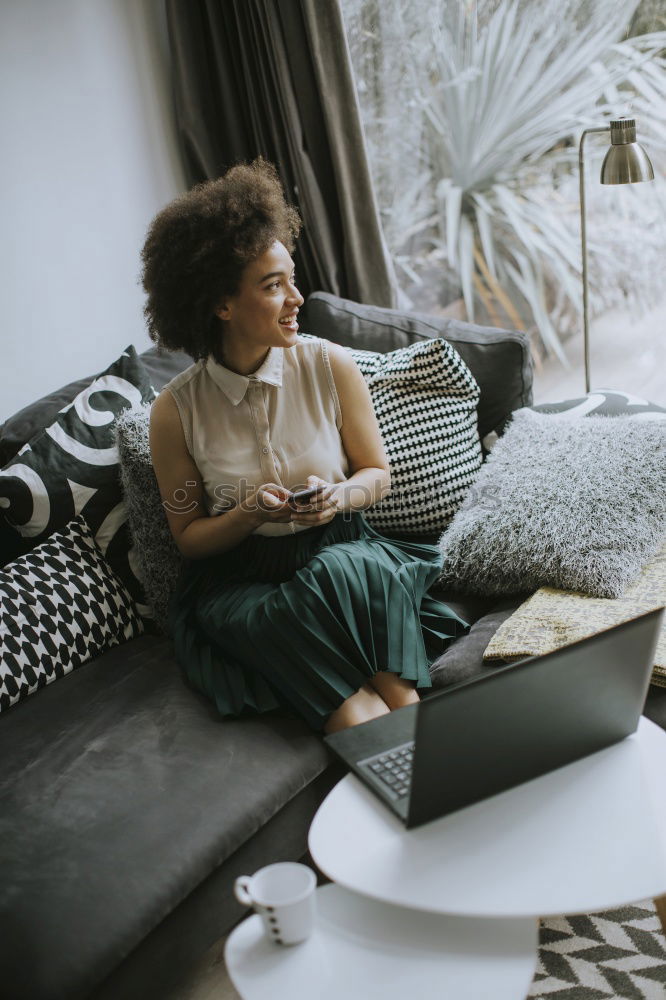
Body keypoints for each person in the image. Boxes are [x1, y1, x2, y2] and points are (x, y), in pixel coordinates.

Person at [143, 158, 468, 734]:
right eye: (273, 286)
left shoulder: (329, 364)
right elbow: (190, 539)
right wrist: (246, 514)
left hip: (340, 544)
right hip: (244, 580)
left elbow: (376, 474)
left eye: (291, 278)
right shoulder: (175, 412)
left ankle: (423, 757)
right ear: (221, 303)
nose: (297, 297)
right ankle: (403, 764)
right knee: (295, 618)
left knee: (343, 571)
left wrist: (338, 498)